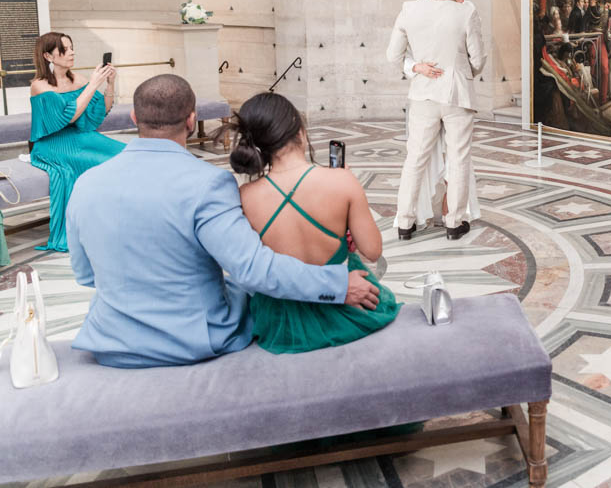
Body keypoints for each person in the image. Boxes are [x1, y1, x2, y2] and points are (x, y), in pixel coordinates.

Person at [65, 75, 379, 368]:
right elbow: (255, 270)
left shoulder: (86, 184)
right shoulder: (208, 183)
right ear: (191, 120)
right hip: (191, 343)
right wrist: (337, 286)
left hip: (112, 343)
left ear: (135, 118)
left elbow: (85, 275)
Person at [231, 92, 398, 354]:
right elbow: (372, 250)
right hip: (346, 310)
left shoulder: (244, 197)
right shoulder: (341, 181)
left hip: (280, 321)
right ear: (300, 132)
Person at [387, 0, 486, 241]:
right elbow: (478, 59)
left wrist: (416, 67)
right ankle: (454, 223)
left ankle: (405, 223)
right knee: (458, 158)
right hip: (457, 93)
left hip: (423, 93)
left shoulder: (409, 9)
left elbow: (393, 56)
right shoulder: (466, 9)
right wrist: (465, 71)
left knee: (415, 158)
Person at [29, 32, 123, 252]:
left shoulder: (78, 80)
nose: (71, 52)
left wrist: (109, 84)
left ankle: (119, 218)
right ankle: (100, 223)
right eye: (64, 49)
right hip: (52, 145)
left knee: (126, 155)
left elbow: (100, 113)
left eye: (71, 47)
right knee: (102, 163)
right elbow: (66, 117)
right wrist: (93, 84)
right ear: (48, 56)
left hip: (80, 137)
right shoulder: (39, 86)